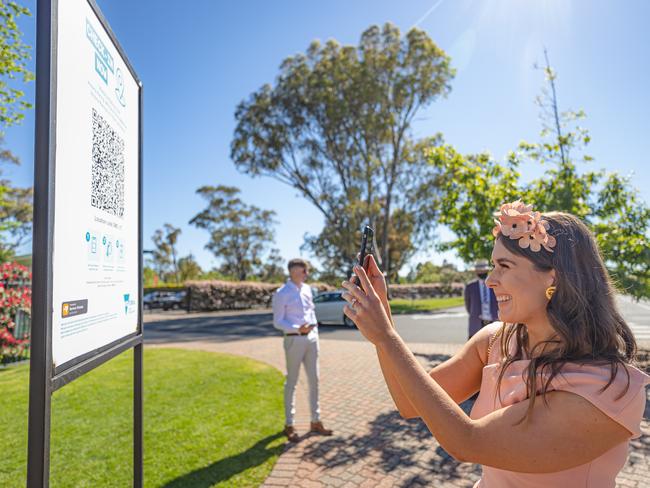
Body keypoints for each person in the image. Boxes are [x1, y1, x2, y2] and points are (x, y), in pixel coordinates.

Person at [340, 200, 649, 487]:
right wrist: (383, 321)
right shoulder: (495, 341)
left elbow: (468, 442)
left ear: (552, 278)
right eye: (493, 265)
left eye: (505, 266)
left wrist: (386, 337)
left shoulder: (610, 389)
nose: (489, 280)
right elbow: (410, 404)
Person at [272, 258, 333, 442]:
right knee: (292, 381)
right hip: (294, 340)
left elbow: (311, 311)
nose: (306, 274)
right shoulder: (282, 293)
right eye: (302, 271)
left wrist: (313, 331)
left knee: (314, 380)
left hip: (312, 340)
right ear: (292, 272)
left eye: (306, 271)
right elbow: (277, 321)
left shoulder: (307, 289)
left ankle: (316, 420)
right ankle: (289, 424)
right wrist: (298, 328)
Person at [464, 259, 498, 339]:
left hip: (493, 321)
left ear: (487, 271)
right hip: (476, 322)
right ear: (476, 272)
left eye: (483, 271)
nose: (482, 273)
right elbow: (468, 306)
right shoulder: (470, 287)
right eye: (479, 271)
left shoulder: (495, 284)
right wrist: (475, 313)